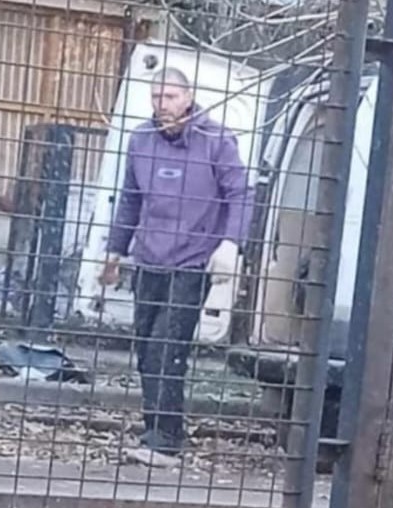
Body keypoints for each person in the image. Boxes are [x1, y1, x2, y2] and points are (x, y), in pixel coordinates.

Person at [99, 67, 253, 454]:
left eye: (170, 97)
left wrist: (231, 244)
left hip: (192, 261)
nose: (162, 104)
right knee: (146, 348)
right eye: (156, 97)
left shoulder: (216, 140)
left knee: (166, 348)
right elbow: (130, 198)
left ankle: (167, 439)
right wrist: (114, 250)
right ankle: (154, 428)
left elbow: (240, 194)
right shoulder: (141, 139)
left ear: (188, 97)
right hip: (149, 257)